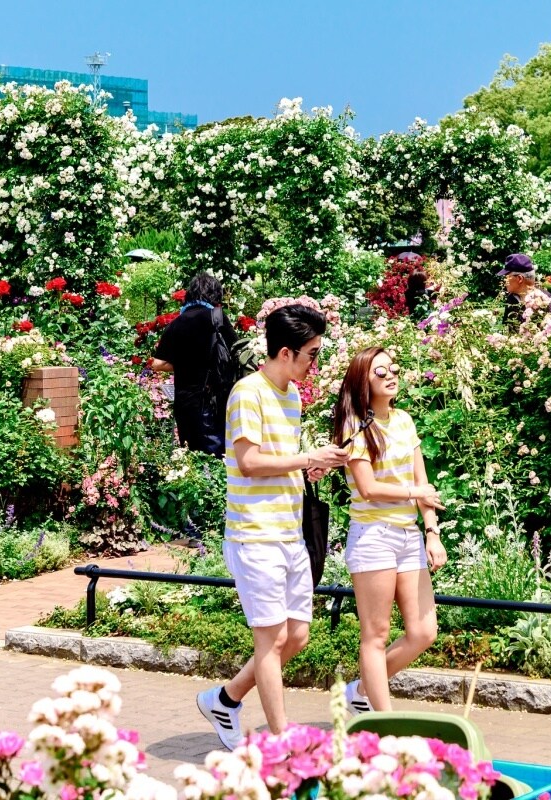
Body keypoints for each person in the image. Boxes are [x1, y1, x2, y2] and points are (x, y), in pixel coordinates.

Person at [195, 303, 350, 745]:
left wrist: (309, 468)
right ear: (286, 352)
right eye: (311, 354)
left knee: (297, 635)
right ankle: (281, 740)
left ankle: (224, 699)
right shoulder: (248, 392)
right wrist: (306, 459)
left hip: (289, 529)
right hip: (254, 533)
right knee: (273, 640)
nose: (314, 363)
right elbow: (247, 462)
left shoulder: (291, 395)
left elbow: (276, 462)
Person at [331, 347, 447, 714]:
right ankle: (385, 722)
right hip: (373, 535)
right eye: (381, 372)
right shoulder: (356, 426)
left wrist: (432, 531)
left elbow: (421, 479)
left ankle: (361, 691)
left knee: (424, 632)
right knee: (376, 635)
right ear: (363, 379)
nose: (391, 375)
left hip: (408, 534)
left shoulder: (403, 420)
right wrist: (416, 493)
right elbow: (368, 488)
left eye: (394, 368)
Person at [150, 273, 238, 457]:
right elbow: (236, 350)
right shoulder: (217, 317)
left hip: (184, 404)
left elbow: (157, 364)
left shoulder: (177, 322)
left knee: (191, 456)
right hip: (212, 400)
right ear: (215, 295)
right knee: (216, 457)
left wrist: (185, 364)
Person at [498, 253, 551, 331]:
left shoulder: (545, 300)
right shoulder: (511, 298)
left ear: (519, 279)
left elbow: (550, 334)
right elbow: (506, 328)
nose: (505, 281)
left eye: (507, 277)